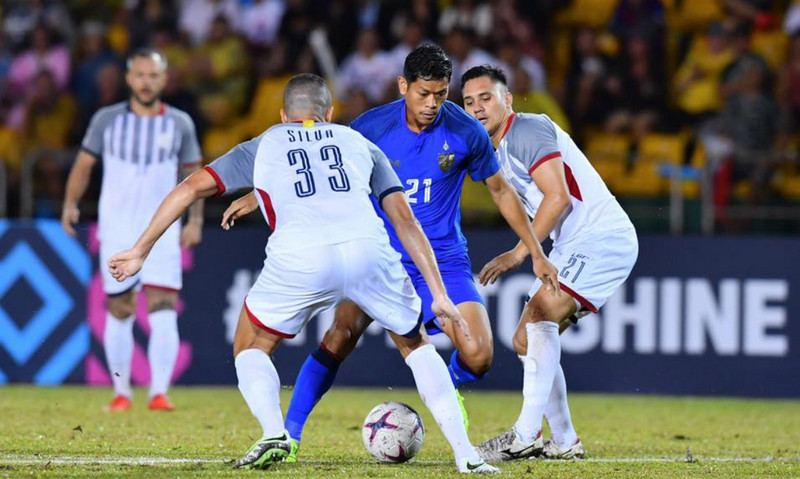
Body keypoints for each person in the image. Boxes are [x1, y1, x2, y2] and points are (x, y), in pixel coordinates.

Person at [107, 73, 499, 474]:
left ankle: (275, 431)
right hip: (369, 251)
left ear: (283, 115)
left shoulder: (267, 142)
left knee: (252, 344)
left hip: (302, 256)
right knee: (415, 346)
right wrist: (438, 291)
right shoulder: (357, 141)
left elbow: (189, 189)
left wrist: (141, 249)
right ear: (329, 113)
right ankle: (466, 454)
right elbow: (405, 221)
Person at [223, 44, 559, 461]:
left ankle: (447, 394)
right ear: (403, 86)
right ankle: (288, 437)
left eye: (441, 94)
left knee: (479, 354)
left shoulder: (465, 131)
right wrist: (259, 195)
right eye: (423, 94)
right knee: (340, 336)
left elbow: (500, 192)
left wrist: (534, 252)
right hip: (379, 256)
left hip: (442, 259)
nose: (433, 104)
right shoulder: (371, 127)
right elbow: (318, 167)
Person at [460, 65, 638, 461]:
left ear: (507, 100)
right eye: (469, 102)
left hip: (599, 237)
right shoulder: (492, 151)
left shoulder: (528, 129)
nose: (477, 109)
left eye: (486, 98)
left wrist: (521, 253)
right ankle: (565, 439)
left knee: (540, 315)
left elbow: (558, 197)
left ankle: (524, 434)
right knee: (526, 339)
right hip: (574, 242)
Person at [62, 49, 204, 412]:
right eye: (139, 75)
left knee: (163, 306)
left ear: (164, 79)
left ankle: (159, 393)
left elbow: (195, 175)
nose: (145, 82)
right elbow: (83, 164)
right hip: (117, 229)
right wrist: (69, 204)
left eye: (153, 76)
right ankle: (121, 393)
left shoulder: (180, 123)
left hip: (163, 231)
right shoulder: (106, 120)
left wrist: (195, 220)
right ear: (129, 79)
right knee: (120, 308)